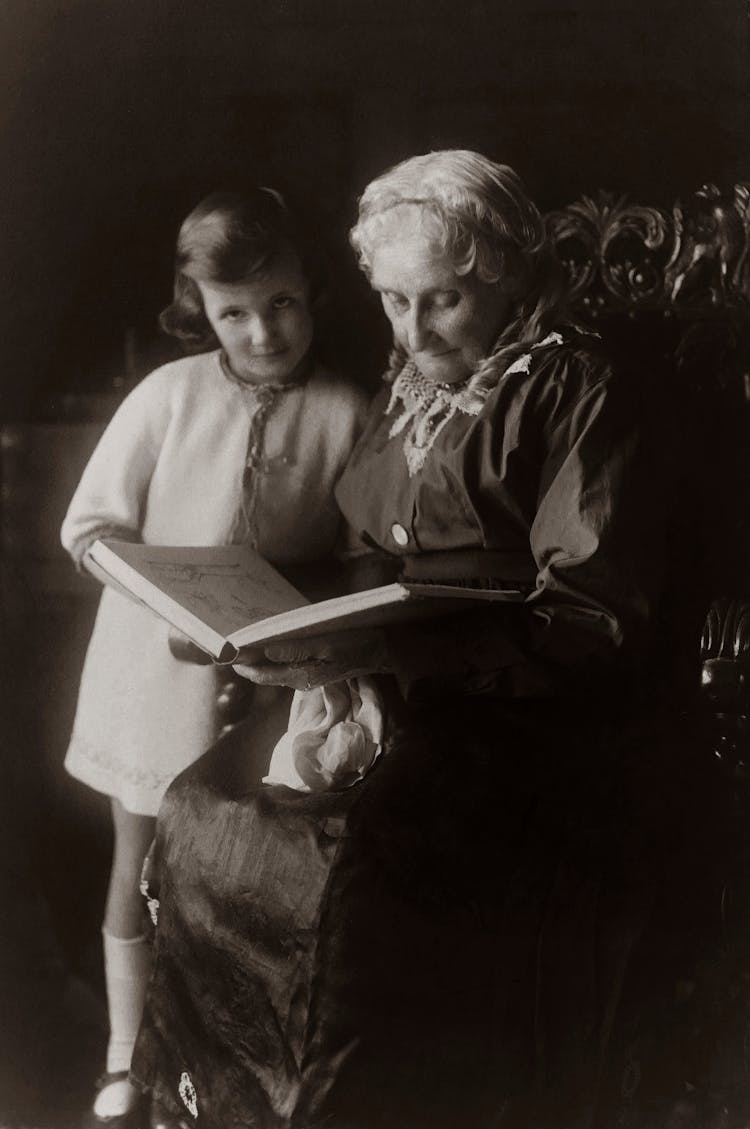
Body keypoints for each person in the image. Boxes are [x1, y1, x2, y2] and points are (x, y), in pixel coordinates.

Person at [131, 151, 666, 1129]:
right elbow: (377, 547)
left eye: (444, 301)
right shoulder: (417, 378)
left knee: (338, 858)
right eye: (392, 301)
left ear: (508, 271)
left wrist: (382, 658)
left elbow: (592, 620)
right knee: (203, 805)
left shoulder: (579, 383)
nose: (413, 334)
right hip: (395, 683)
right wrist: (266, 624)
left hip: (528, 716)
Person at [60, 187, 369, 1129]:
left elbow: (358, 550)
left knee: (235, 878)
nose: (264, 333)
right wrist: (161, 586)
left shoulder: (349, 410)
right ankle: (124, 1054)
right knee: (139, 854)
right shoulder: (168, 395)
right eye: (233, 313)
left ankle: (214, 1058)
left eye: (280, 304)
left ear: (311, 289)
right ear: (200, 309)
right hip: (154, 670)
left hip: (273, 679)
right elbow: (91, 525)